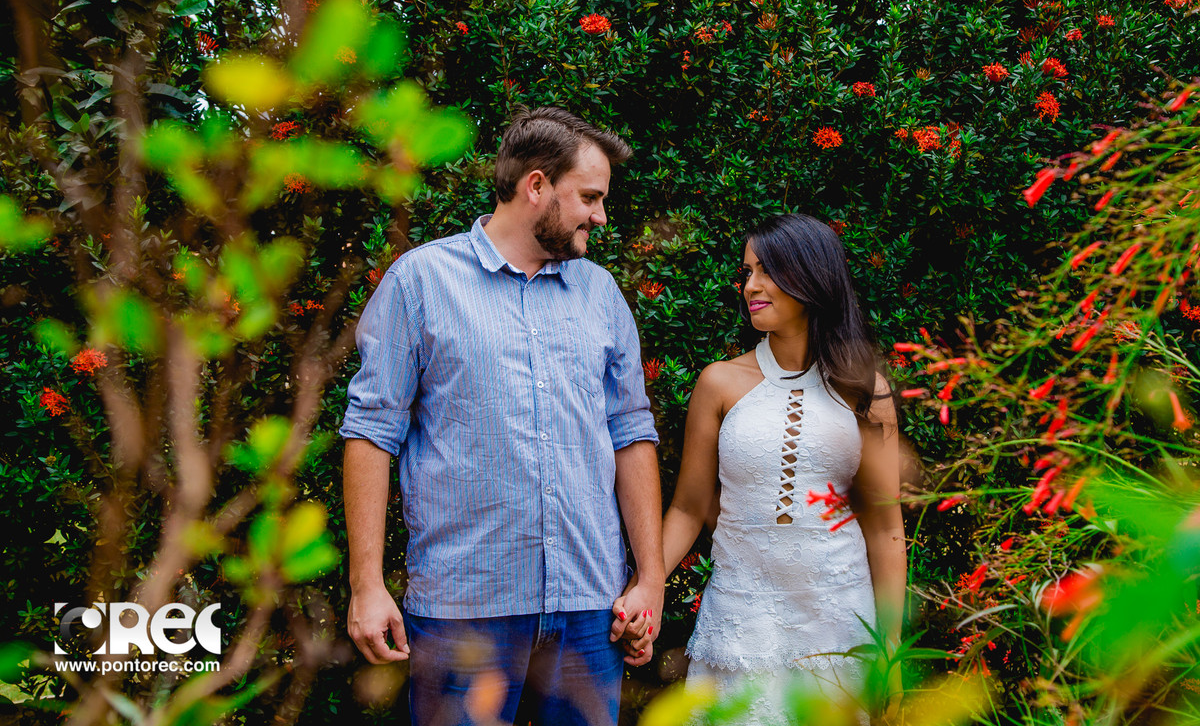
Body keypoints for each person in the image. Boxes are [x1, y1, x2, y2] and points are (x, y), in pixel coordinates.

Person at [340, 106, 665, 726]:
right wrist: (367, 584)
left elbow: (631, 434)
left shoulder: (601, 294)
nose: (601, 215)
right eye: (590, 197)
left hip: (591, 613)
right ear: (536, 185)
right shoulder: (421, 283)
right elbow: (371, 433)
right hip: (465, 610)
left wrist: (648, 579)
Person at [618, 213, 906, 723]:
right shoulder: (719, 383)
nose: (750, 285)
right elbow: (688, 507)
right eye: (747, 271)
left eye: (765, 271)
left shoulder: (867, 390)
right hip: (740, 620)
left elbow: (885, 527)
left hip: (838, 621)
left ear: (810, 277)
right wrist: (648, 586)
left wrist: (891, 645)